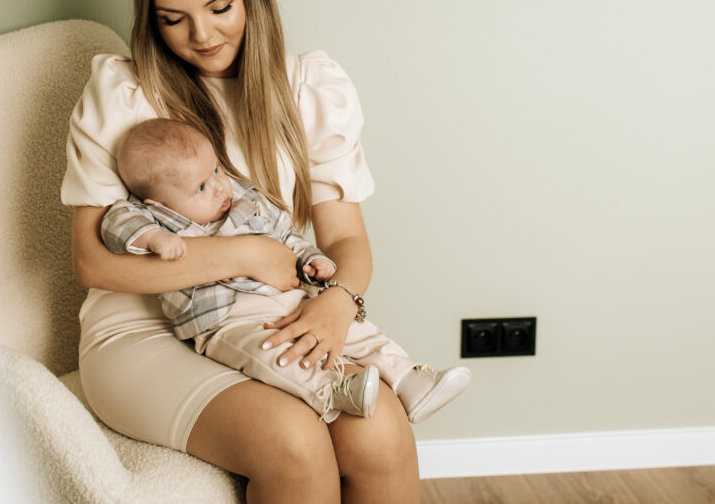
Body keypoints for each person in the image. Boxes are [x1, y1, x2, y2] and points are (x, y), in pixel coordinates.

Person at [63, 0, 422, 502]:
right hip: (141, 333)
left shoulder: (309, 90)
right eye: (172, 19)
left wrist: (338, 303)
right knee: (294, 444)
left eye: (220, 8)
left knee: (382, 432)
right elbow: (92, 264)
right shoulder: (125, 93)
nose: (201, 35)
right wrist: (248, 254)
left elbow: (347, 242)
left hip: (264, 314)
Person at [100, 117, 471, 424]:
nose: (218, 187)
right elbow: (115, 223)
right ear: (157, 202)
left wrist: (312, 258)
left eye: (215, 170)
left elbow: (286, 235)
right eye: (200, 187)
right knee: (272, 354)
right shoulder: (153, 216)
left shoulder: (242, 197)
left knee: (352, 329)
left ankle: (408, 378)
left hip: (288, 297)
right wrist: (152, 238)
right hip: (224, 319)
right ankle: (331, 390)